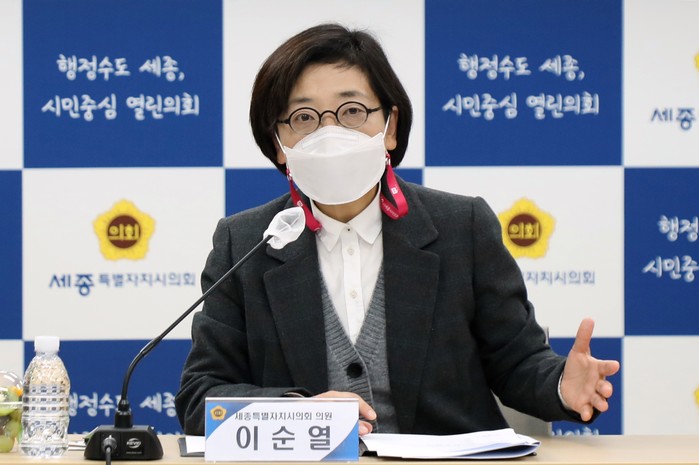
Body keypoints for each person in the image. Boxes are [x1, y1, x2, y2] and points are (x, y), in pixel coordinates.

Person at [175, 23, 620, 436]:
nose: (329, 132)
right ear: (278, 144)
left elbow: (516, 362)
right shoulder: (246, 242)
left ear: (390, 127)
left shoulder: (461, 227)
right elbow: (201, 396)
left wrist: (562, 385)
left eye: (352, 111)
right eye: (304, 117)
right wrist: (298, 412)